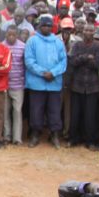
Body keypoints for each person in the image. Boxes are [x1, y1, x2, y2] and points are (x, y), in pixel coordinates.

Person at [24, 15, 68, 148]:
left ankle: (54, 135)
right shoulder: (32, 41)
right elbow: (29, 61)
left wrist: (53, 73)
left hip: (54, 83)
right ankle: (35, 134)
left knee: (54, 111)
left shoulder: (58, 42)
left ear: (52, 27)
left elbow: (63, 61)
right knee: (36, 111)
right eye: (44, 25)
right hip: (37, 83)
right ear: (39, 26)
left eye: (49, 26)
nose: (46, 28)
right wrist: (43, 73)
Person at [67, 24, 99, 150]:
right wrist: (86, 57)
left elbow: (97, 63)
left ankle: (90, 141)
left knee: (90, 115)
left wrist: (81, 59)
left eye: (91, 30)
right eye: (86, 30)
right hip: (77, 85)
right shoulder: (77, 45)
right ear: (82, 31)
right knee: (75, 114)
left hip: (93, 86)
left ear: (94, 32)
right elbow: (72, 61)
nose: (88, 32)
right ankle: (73, 139)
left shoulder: (98, 46)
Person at [3, 25, 27, 144]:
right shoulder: (1, 46)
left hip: (18, 85)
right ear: (6, 34)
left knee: (17, 111)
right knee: (5, 112)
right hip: (4, 85)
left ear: (17, 35)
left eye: (14, 35)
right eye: (9, 34)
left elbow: (26, 65)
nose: (11, 37)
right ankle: (7, 136)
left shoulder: (23, 46)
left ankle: (17, 138)